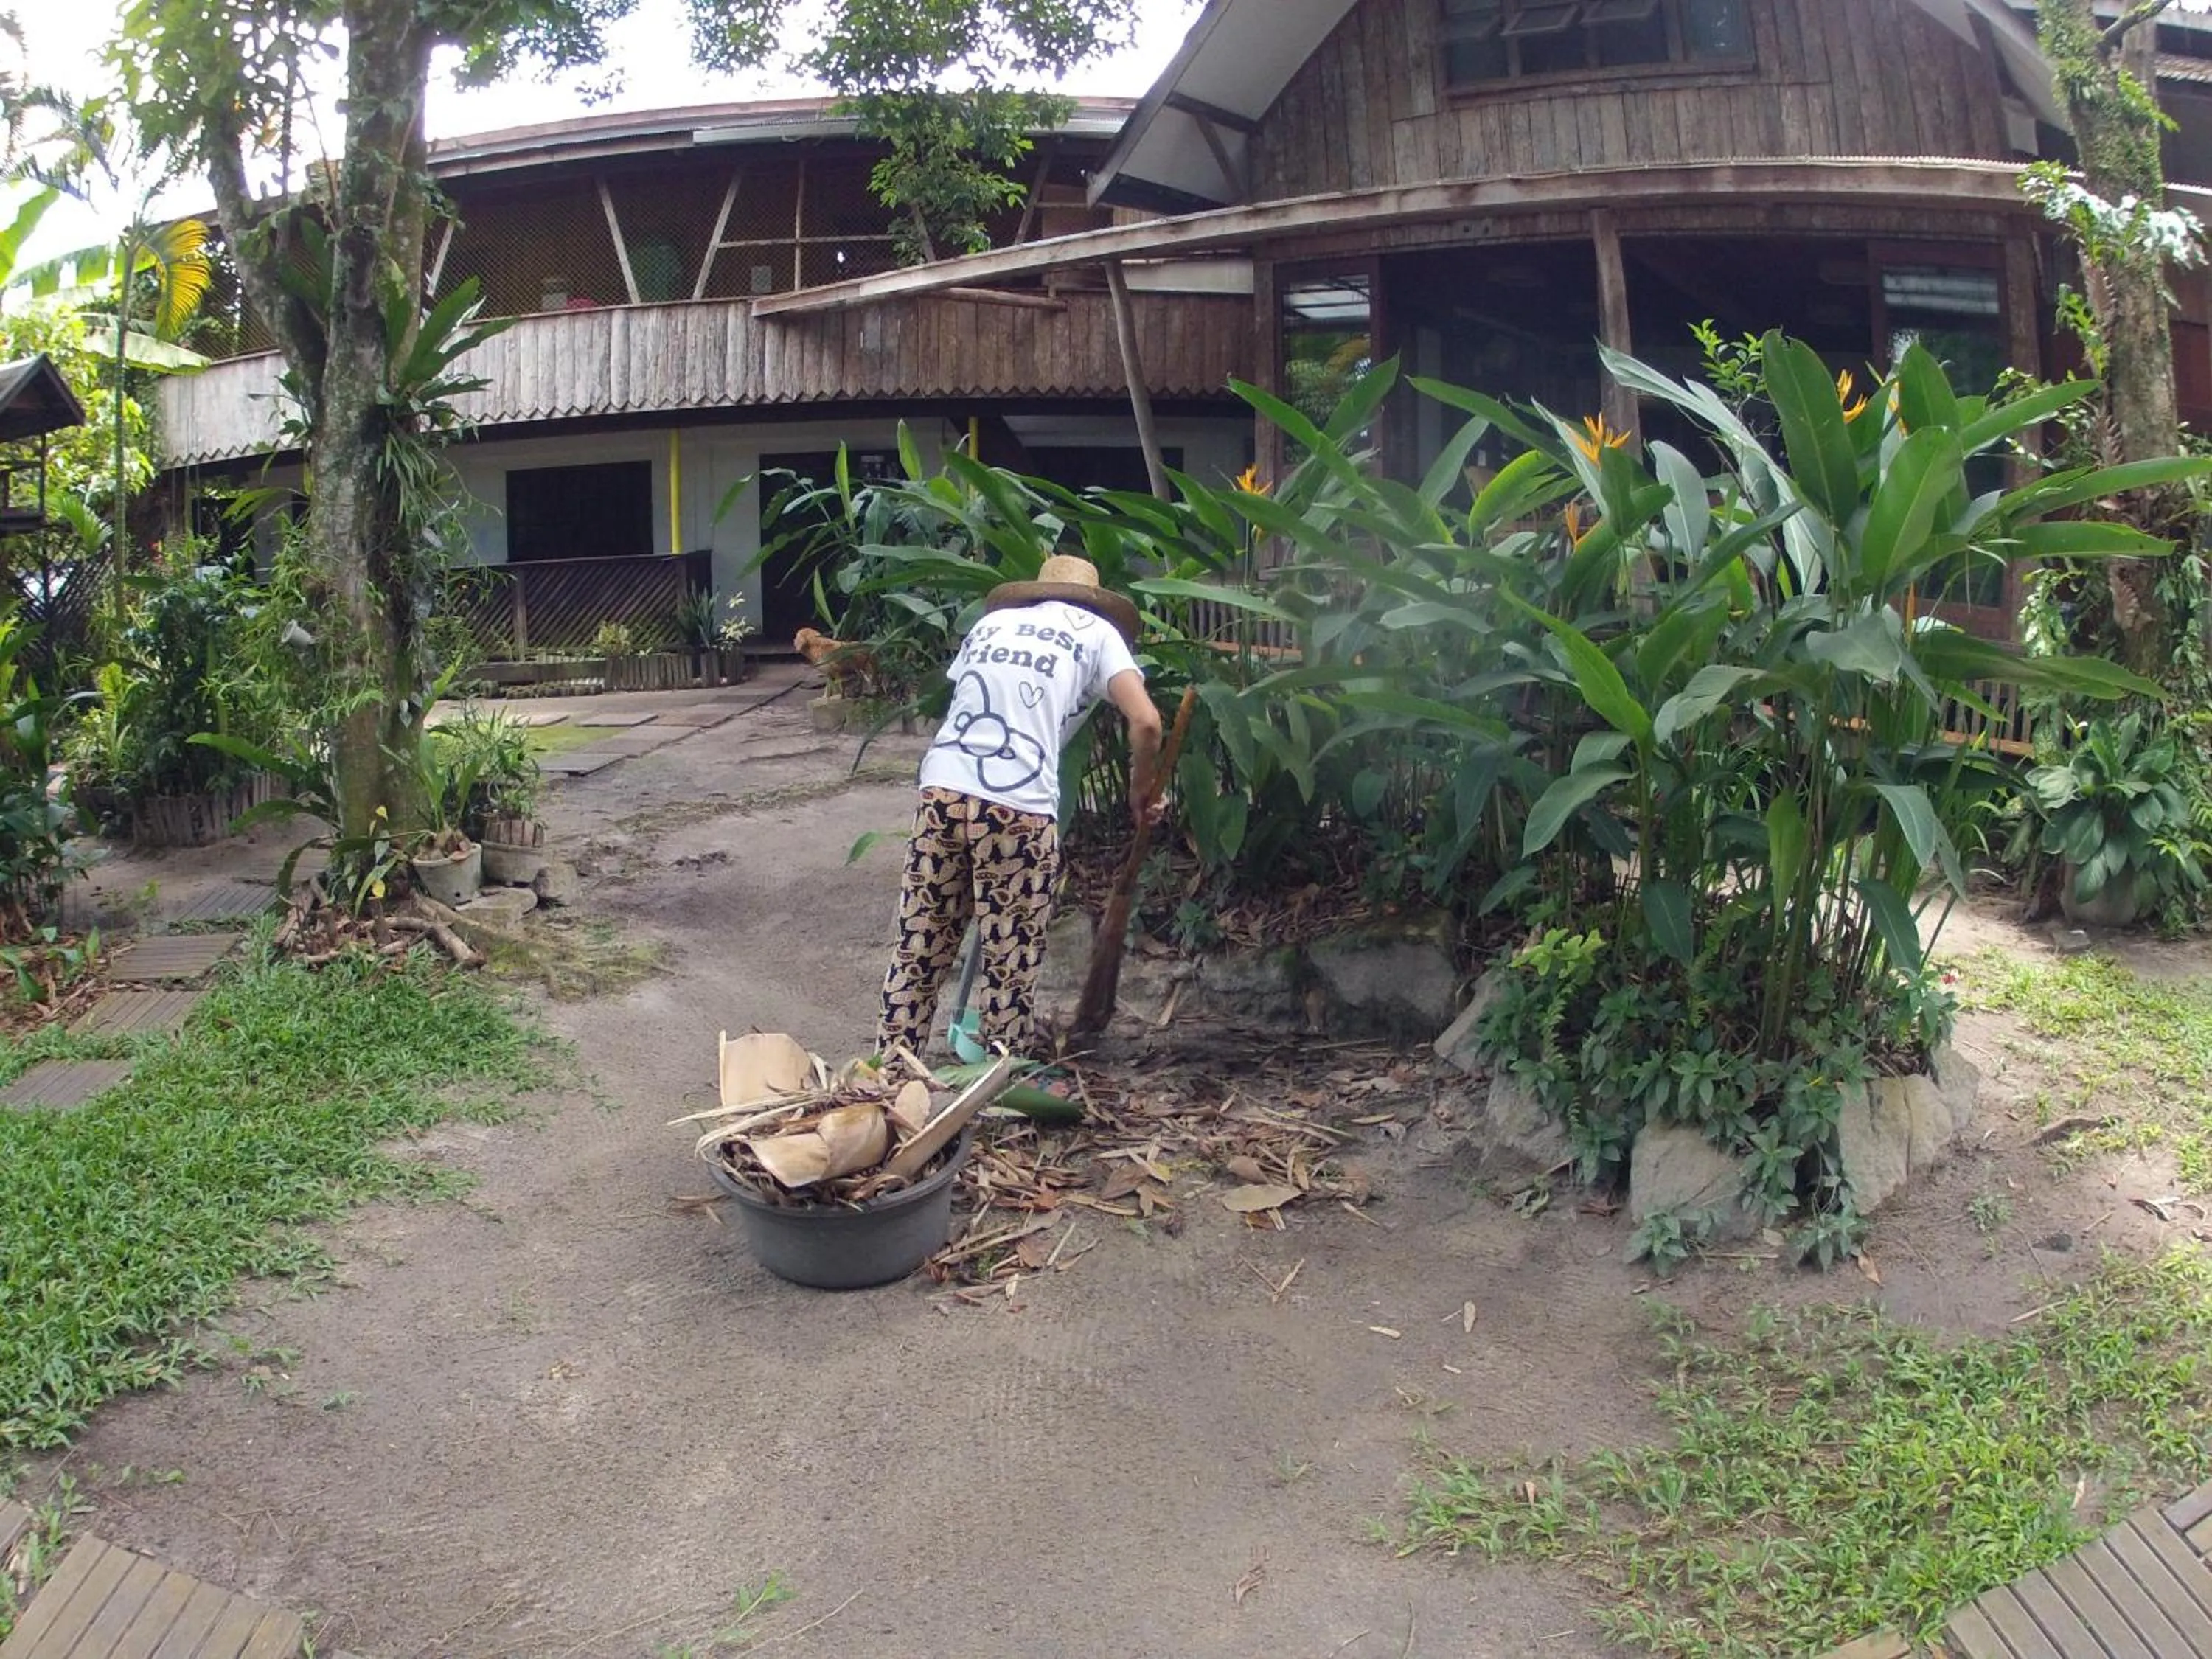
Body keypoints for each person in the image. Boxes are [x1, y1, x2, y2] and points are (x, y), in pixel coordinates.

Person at [877, 554, 1163, 1058]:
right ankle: (997, 1080)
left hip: (942, 789)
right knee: (1010, 963)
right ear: (1097, 604)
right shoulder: (1099, 633)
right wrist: (1141, 791)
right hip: (1019, 808)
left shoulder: (993, 624)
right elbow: (1147, 722)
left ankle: (887, 1076)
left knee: (919, 949)